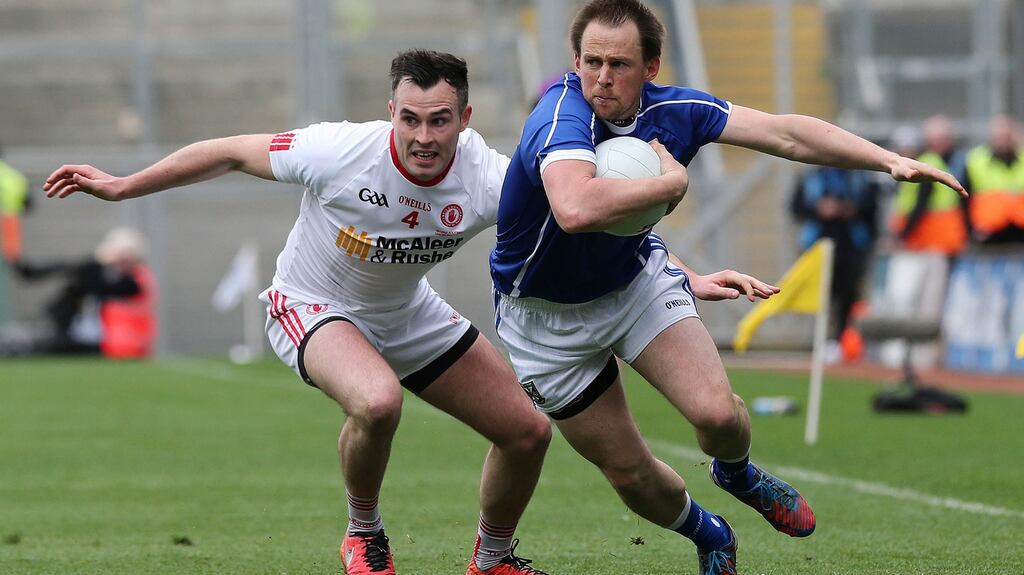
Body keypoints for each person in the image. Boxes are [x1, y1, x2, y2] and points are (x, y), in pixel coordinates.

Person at [489, 2, 966, 574]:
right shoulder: (560, 116)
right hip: (543, 321)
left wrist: (889, 161)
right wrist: (672, 183)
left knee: (718, 416)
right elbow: (575, 209)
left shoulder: (676, 111)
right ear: (576, 61)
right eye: (592, 62)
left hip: (634, 283)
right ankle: (710, 533)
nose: (602, 78)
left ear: (651, 67)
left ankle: (735, 472)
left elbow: (785, 133)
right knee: (633, 475)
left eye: (619, 64)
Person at [44, 50, 552, 575]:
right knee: (378, 402)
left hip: (406, 312)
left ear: (465, 119)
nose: (423, 137)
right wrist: (124, 185)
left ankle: (492, 560)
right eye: (409, 119)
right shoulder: (340, 152)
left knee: (527, 433)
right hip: (312, 304)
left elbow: (569, 211)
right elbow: (230, 152)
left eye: (439, 121)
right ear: (391, 113)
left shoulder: (491, 179)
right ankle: (363, 533)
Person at [5, 227, 154, 357]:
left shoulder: (130, 282)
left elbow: (128, 289)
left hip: (100, 342)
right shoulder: (91, 270)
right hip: (70, 332)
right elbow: (58, 269)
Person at [791, 165, 879, 362]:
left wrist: (850, 209)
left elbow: (872, 209)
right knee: (820, 296)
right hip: (818, 248)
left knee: (848, 298)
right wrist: (819, 208)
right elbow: (796, 207)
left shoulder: (859, 178)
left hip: (851, 248)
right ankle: (820, 341)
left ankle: (841, 342)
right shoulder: (812, 178)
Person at [889, 115, 970, 255]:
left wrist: (902, 235)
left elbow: (921, 203)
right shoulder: (932, 161)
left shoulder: (925, 164)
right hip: (936, 237)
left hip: (933, 238)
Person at [965, 114, 1024, 244]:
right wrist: (970, 229)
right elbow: (964, 197)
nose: (1003, 142)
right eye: (999, 137)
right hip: (988, 232)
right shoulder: (976, 160)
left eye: (1006, 136)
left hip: (1020, 230)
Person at [0, 141, 31, 263]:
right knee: (9, 259)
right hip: (10, 221)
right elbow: (28, 202)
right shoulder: (14, 176)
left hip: (8, 221)